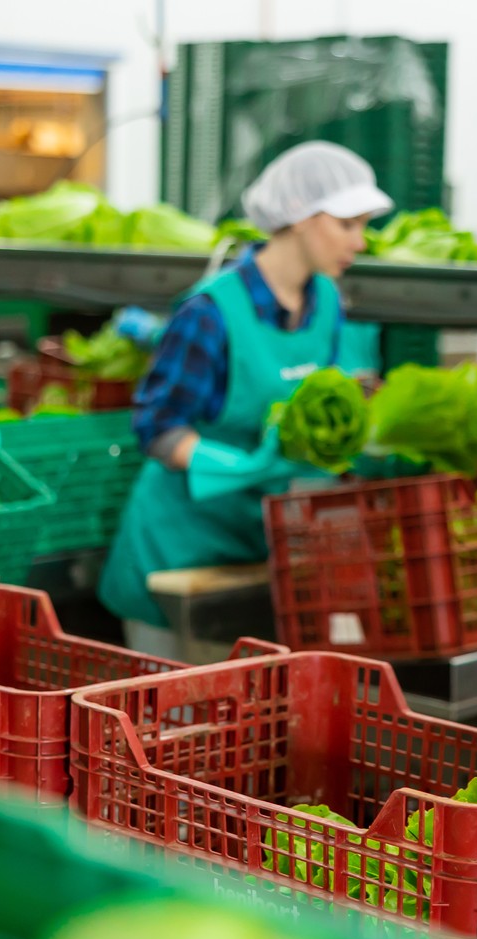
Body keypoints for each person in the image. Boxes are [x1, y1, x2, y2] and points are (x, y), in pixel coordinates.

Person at [98, 142, 392, 650]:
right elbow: (157, 425)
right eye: (348, 225)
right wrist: (231, 466)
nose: (360, 242)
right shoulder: (210, 312)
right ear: (300, 217)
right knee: (165, 720)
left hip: (255, 544)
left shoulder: (326, 302)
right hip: (176, 549)